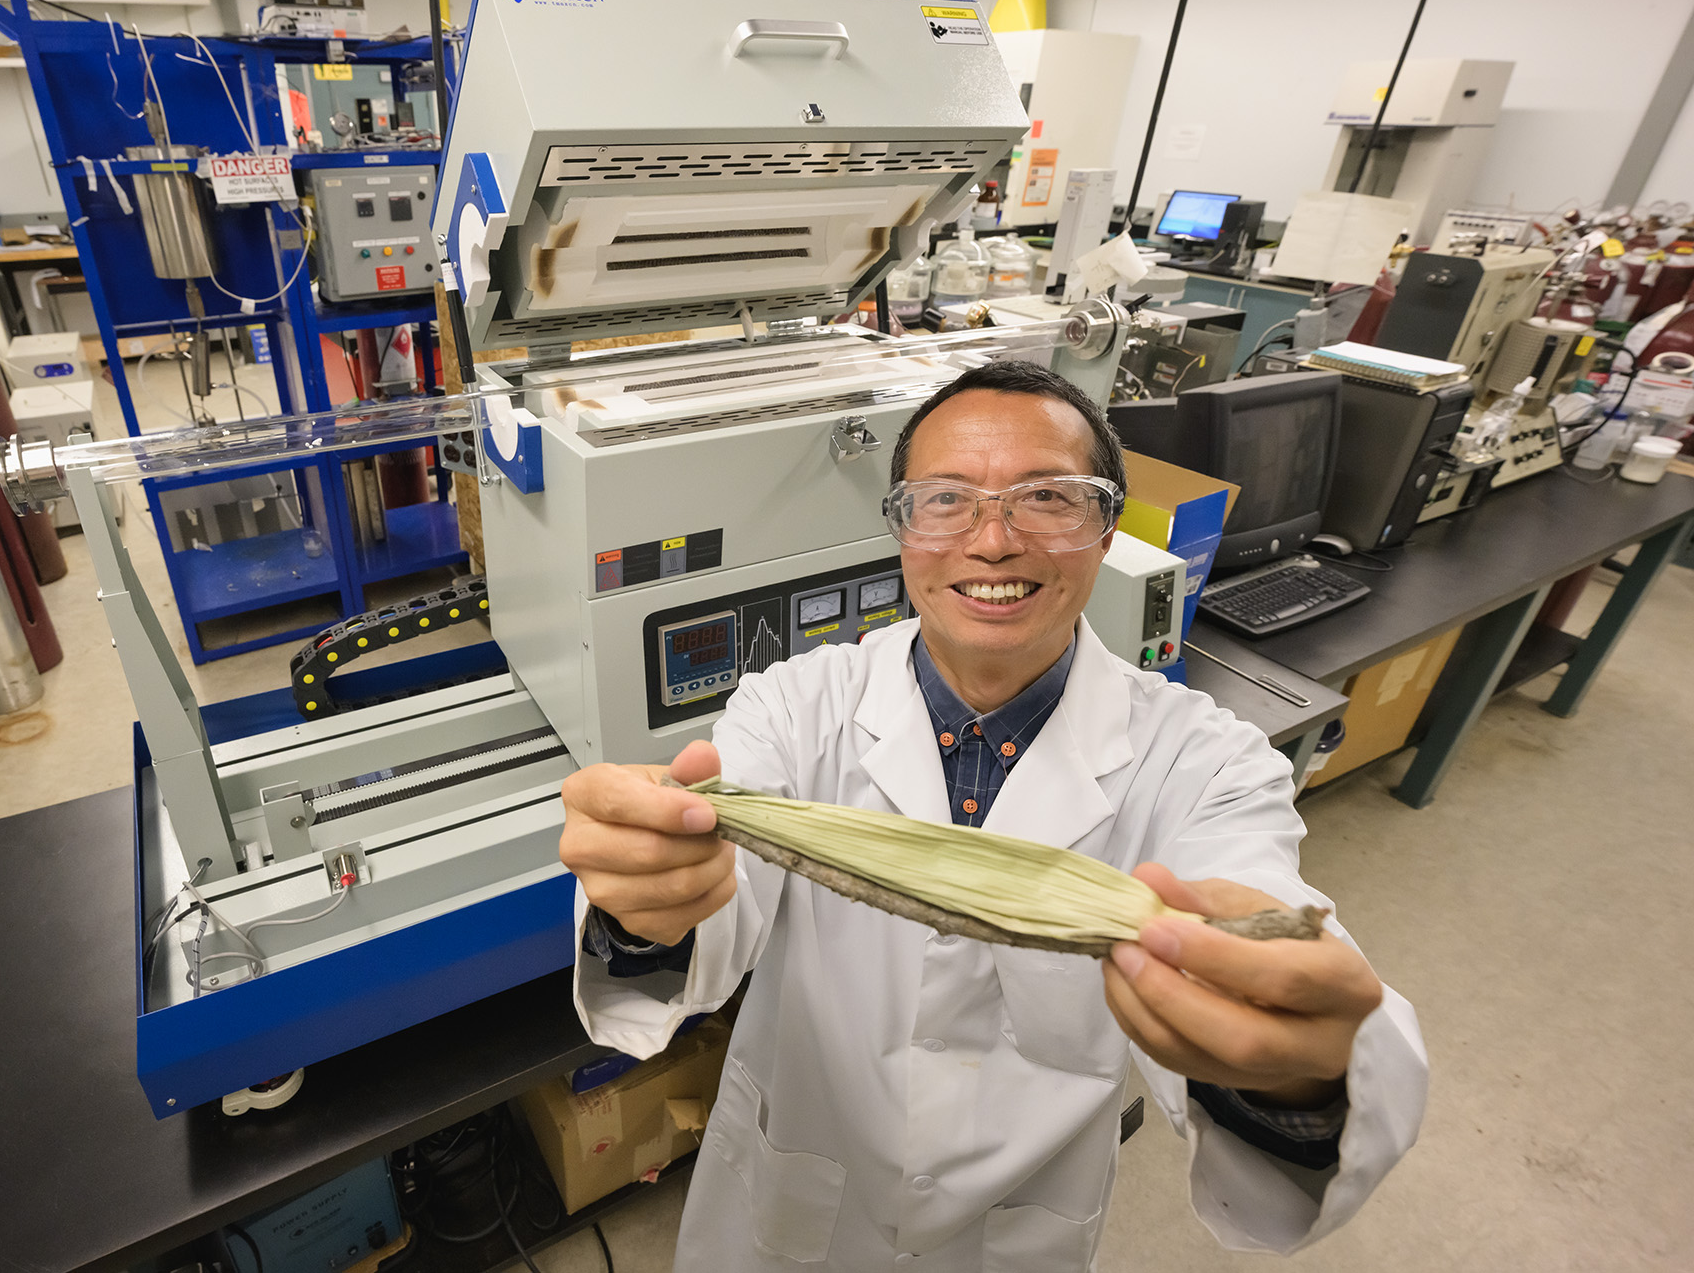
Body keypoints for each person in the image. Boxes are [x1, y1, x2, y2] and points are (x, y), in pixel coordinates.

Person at [558, 361, 1427, 1271]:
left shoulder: (1208, 764)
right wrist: (646, 906)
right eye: (945, 500)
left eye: (1049, 497)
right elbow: (711, 912)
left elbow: (1262, 921)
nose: (993, 541)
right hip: (791, 1194)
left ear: (1106, 528)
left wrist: (1300, 1074)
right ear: (901, 530)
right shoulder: (792, 705)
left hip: (1018, 1231)